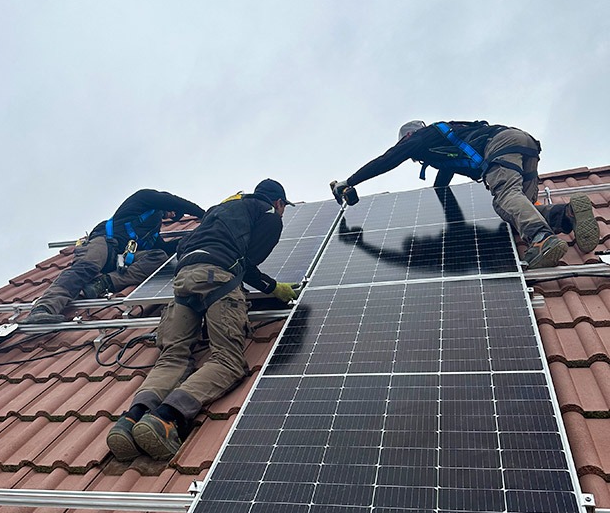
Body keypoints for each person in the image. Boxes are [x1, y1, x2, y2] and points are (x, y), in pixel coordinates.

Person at [106, 179, 298, 461]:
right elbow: (245, 263)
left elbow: (184, 245)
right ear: (279, 202)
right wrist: (272, 287)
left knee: (172, 357)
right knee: (227, 361)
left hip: (183, 279)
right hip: (218, 279)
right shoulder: (269, 215)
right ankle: (167, 418)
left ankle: (132, 418)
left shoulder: (220, 209)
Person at [332, 120, 600, 269]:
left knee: (505, 198)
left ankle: (542, 240)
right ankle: (566, 216)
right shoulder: (444, 150)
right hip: (523, 143)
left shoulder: (423, 136)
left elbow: (387, 160)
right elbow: (443, 192)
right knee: (518, 211)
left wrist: (350, 181)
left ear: (408, 137)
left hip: (500, 146)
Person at [23, 189, 206, 324]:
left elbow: (166, 251)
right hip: (105, 243)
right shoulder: (143, 199)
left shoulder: (152, 233)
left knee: (157, 257)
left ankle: (102, 283)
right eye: (173, 211)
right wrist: (204, 215)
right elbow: (171, 200)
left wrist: (196, 236)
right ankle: (44, 308)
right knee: (88, 265)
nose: (174, 214)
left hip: (122, 260)